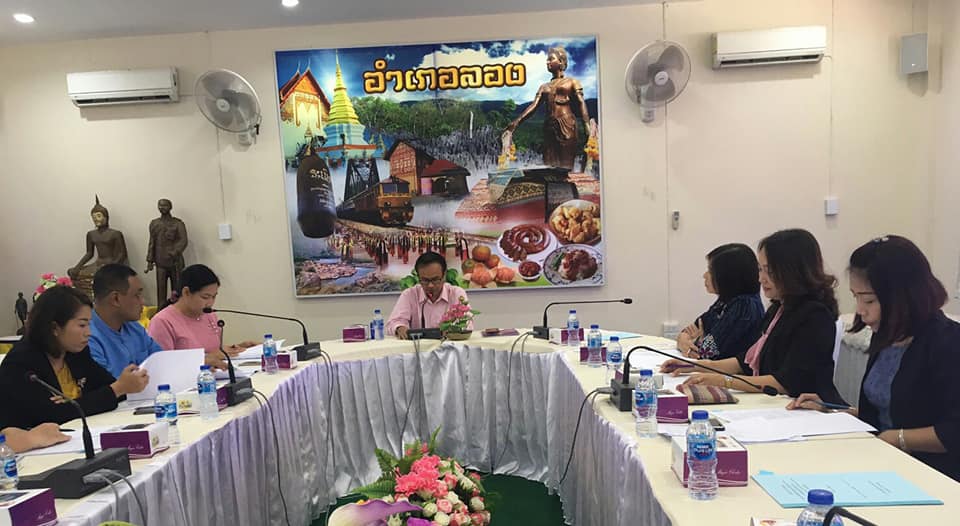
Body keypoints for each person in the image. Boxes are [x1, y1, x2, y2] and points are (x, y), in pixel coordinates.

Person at [788, 236, 960, 481]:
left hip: (933, 475)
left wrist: (898, 438)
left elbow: (953, 431)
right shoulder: (887, 337)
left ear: (904, 296)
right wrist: (834, 411)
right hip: (883, 462)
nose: (860, 310)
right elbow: (886, 412)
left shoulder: (947, 343)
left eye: (869, 300)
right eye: (855, 297)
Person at [661, 229, 843, 402]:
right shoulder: (779, 308)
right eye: (760, 269)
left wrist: (723, 380)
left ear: (793, 272)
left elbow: (787, 382)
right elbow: (746, 361)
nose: (761, 278)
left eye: (769, 271)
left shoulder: (814, 316)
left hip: (809, 409)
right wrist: (694, 366)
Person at [0, 286, 150, 428]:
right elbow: (52, 416)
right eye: (82, 325)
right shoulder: (21, 363)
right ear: (54, 327)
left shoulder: (76, 353)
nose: (88, 333)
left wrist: (115, 389)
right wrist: (115, 389)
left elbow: (107, 388)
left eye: (89, 325)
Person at [89, 264, 228, 378]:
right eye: (137, 295)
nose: (142, 301)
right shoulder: (88, 338)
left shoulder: (134, 328)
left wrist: (196, 363)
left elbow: (163, 361)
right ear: (115, 299)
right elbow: (108, 389)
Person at [504, 46, 598, 170]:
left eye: (551, 59)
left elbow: (581, 102)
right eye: (547, 60)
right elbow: (534, 106)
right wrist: (516, 122)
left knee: (565, 167)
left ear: (561, 62)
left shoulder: (572, 82)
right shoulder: (544, 87)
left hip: (566, 125)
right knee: (548, 166)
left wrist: (586, 124)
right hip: (549, 128)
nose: (547, 62)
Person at [676, 243, 765, 360]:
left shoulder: (744, 306)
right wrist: (685, 340)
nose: (704, 275)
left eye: (710, 271)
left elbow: (706, 354)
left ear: (728, 276)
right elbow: (690, 330)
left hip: (725, 371)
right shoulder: (725, 301)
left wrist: (694, 343)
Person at [148, 264, 255, 355]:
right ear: (186, 292)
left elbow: (213, 351)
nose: (210, 303)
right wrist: (208, 359)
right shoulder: (162, 322)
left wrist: (237, 348)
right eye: (205, 297)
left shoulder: (209, 315)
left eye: (214, 297)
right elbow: (165, 364)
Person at [387, 251, 471, 340]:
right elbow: (393, 322)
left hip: (449, 345)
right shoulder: (409, 295)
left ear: (444, 276)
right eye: (425, 280)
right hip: (418, 347)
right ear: (418, 277)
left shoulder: (456, 293)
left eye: (435, 280)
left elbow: (468, 323)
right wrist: (399, 328)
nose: (430, 285)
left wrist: (454, 329)